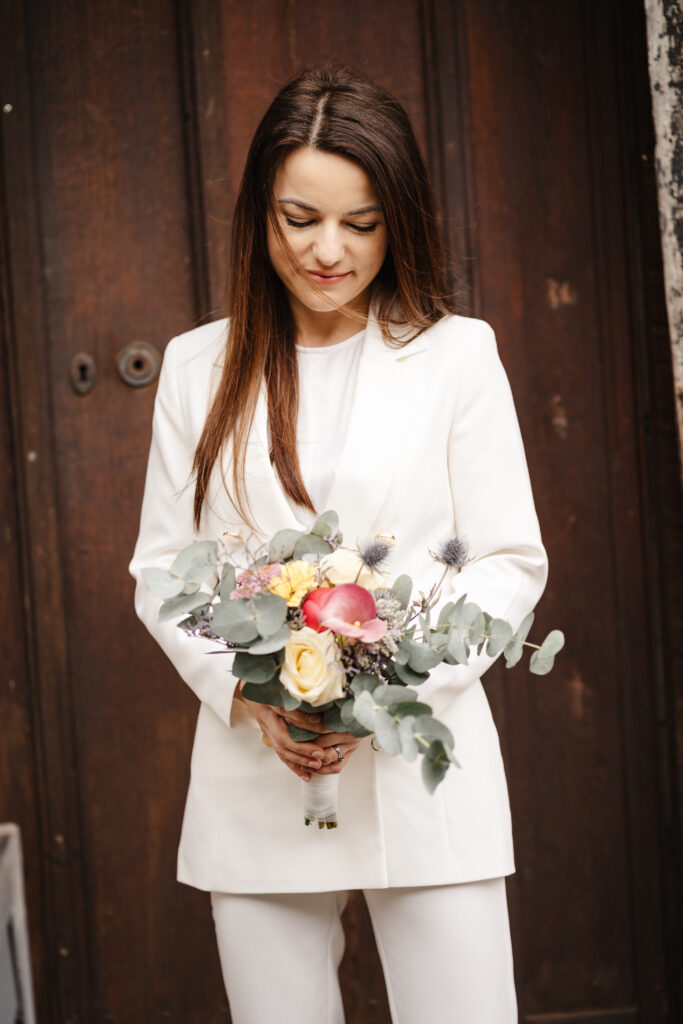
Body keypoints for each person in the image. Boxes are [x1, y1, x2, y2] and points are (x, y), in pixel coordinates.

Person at [129, 64, 548, 1024]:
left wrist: (386, 687)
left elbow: (507, 562)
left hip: (420, 769)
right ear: (259, 215)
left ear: (397, 218)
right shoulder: (197, 368)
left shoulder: (457, 354)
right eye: (298, 217)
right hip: (258, 775)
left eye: (359, 223)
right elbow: (161, 568)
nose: (327, 251)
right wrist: (250, 693)